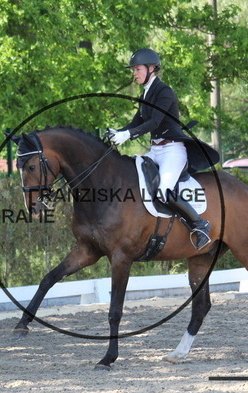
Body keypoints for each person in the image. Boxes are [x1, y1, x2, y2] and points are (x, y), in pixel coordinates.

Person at [106, 48, 213, 250]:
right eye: (134, 70)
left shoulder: (164, 92)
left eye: (137, 69)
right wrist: (117, 132)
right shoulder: (146, 93)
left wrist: (127, 135)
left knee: (163, 191)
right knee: (132, 175)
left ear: (151, 68)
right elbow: (136, 123)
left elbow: (155, 122)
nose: (134, 73)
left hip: (172, 151)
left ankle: (200, 225)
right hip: (156, 151)